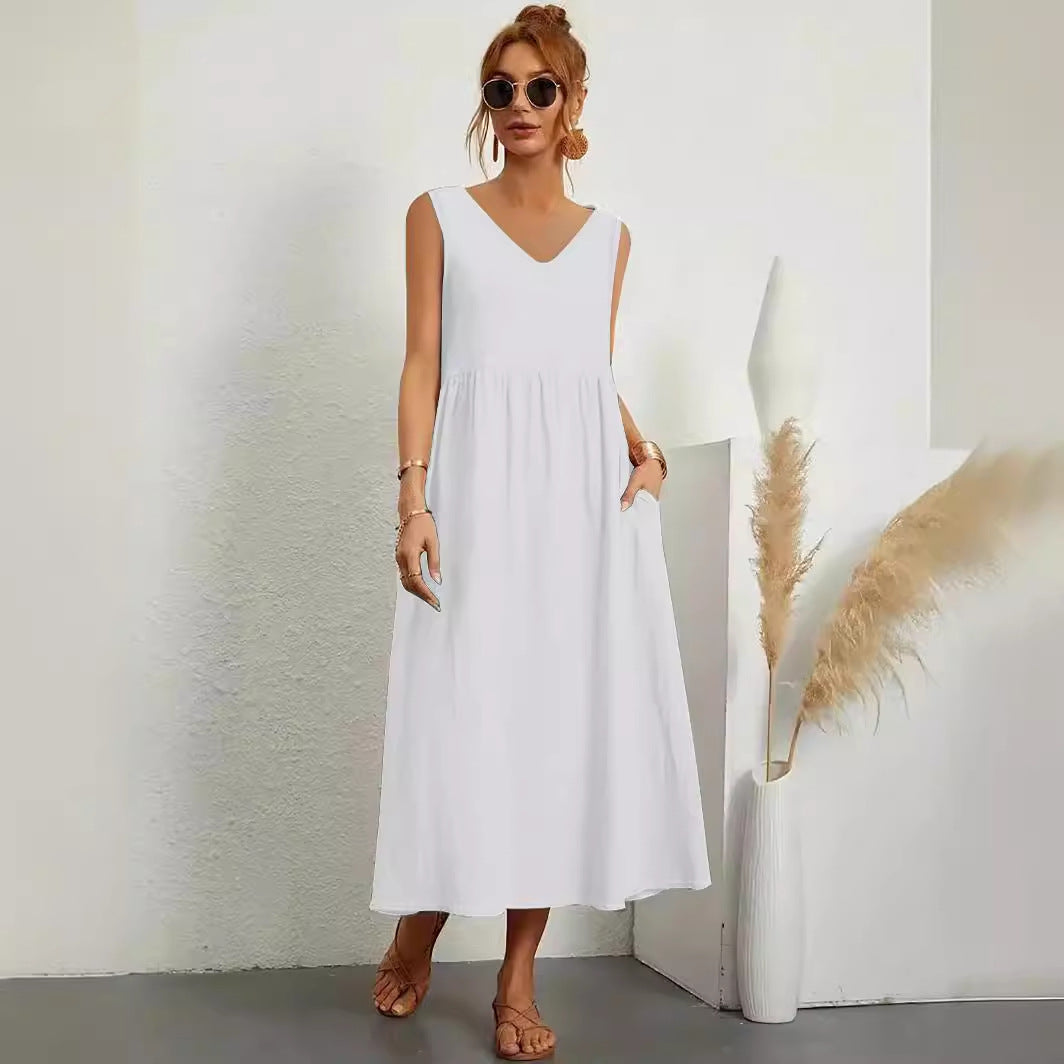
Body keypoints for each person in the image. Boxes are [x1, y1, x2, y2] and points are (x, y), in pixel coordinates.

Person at [369, 5, 710, 1059]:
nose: (518, 105)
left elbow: (583, 370)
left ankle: (516, 976)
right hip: (475, 499)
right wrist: (414, 499)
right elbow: (423, 361)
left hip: (580, 508)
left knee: (555, 731)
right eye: (500, 89)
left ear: (572, 104)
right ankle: (422, 920)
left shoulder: (610, 238)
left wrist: (644, 448)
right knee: (466, 717)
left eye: (539, 88)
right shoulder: (437, 215)